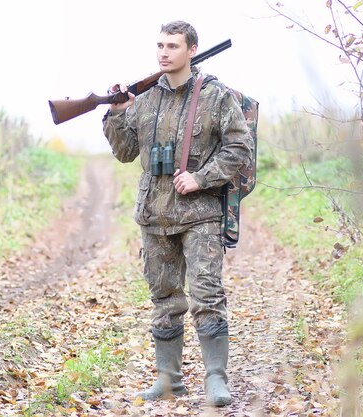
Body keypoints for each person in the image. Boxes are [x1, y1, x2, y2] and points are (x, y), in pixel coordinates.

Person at [102, 20, 253, 407]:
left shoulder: (216, 96)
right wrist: (117, 113)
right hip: (154, 214)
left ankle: (216, 380)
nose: (164, 52)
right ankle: (169, 381)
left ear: (192, 49)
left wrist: (201, 178)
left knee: (206, 294)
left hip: (200, 213)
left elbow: (239, 148)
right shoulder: (147, 99)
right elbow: (125, 152)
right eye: (160, 46)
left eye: (172, 46)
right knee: (165, 298)